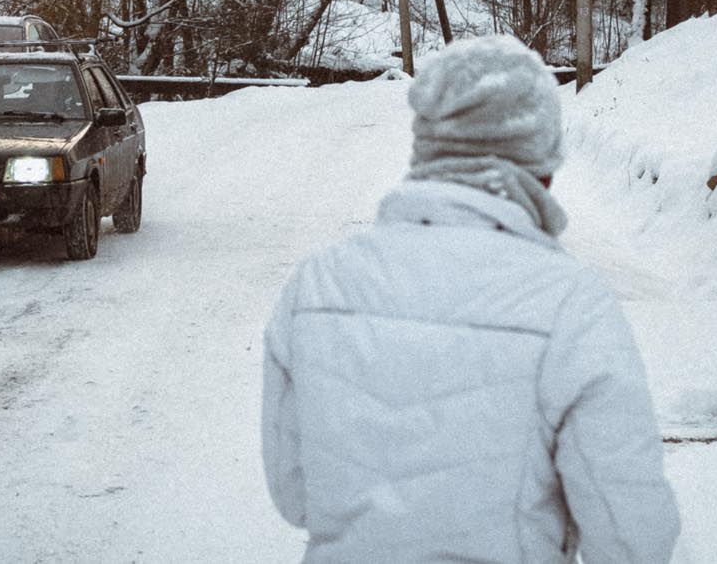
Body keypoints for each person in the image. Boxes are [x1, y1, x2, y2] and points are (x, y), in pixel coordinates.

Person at [262, 34, 680, 563]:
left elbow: (296, 496)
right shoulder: (571, 305)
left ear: (427, 145)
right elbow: (629, 537)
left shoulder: (317, 285)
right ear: (543, 163)